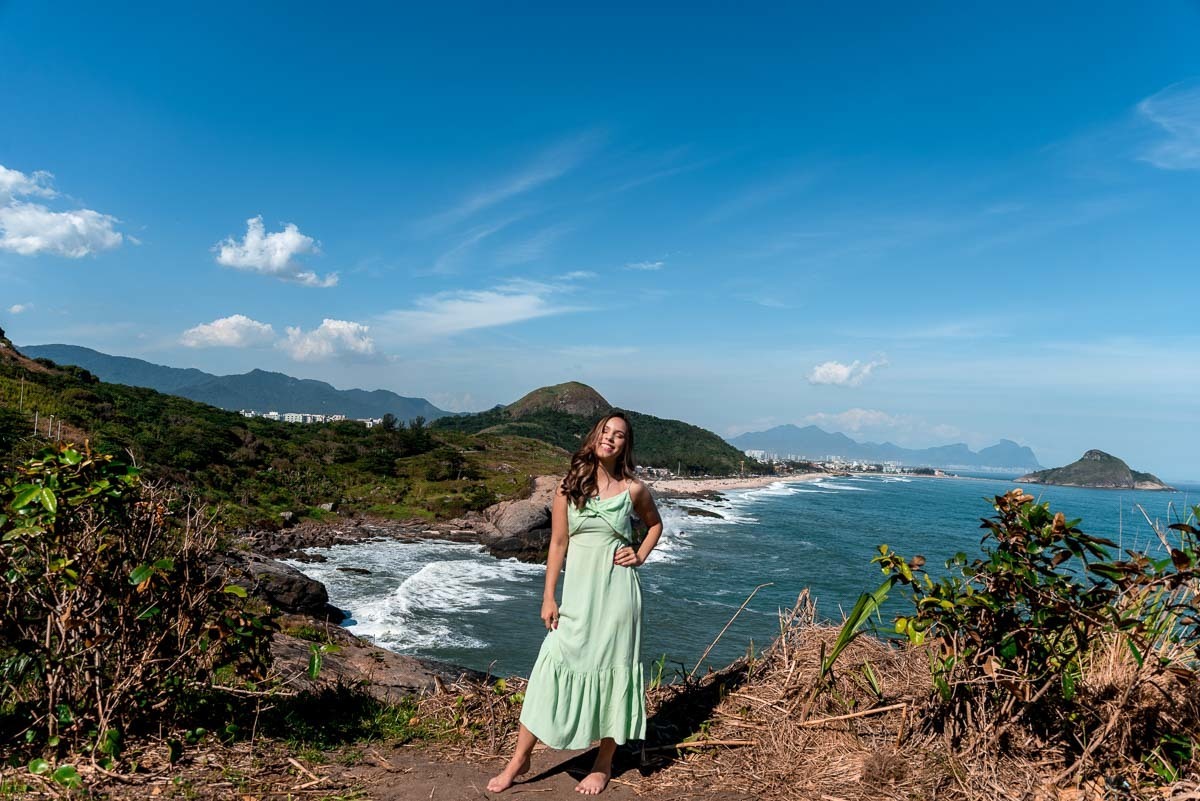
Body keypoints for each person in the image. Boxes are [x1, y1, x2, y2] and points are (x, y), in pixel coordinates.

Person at [487, 410, 663, 796]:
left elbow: (655, 525)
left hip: (619, 598)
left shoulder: (633, 490)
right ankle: (520, 759)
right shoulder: (568, 487)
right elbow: (558, 544)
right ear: (595, 437)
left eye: (619, 435)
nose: (611, 438)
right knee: (550, 667)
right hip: (577, 598)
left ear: (624, 446)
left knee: (615, 672)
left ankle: (603, 764)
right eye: (605, 431)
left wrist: (640, 553)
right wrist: (548, 596)